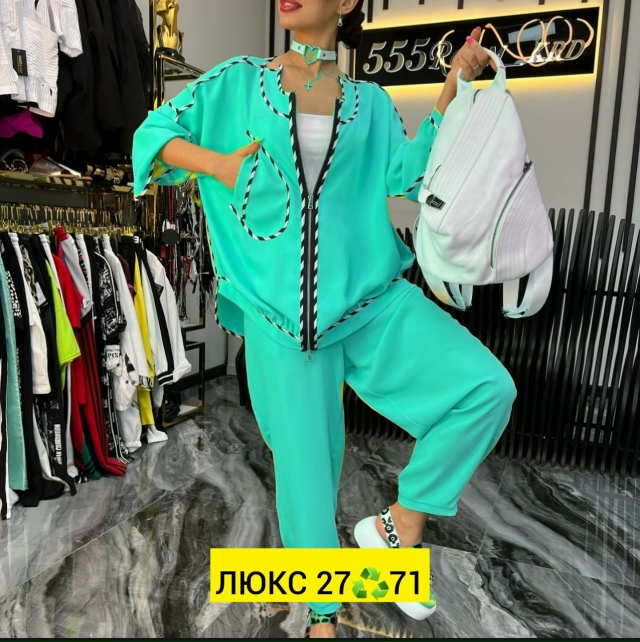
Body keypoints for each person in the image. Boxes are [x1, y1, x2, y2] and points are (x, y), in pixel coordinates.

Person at [132, 0, 516, 637]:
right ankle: (322, 618)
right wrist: (219, 165)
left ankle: (400, 525)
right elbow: (152, 135)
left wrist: (453, 86)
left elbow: (407, 176)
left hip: (367, 298)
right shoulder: (236, 82)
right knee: (307, 475)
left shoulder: (372, 103)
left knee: (485, 389)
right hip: (280, 318)